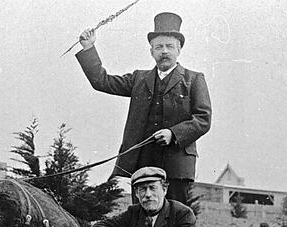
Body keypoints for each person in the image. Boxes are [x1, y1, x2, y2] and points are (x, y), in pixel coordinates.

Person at [76, 12, 212, 206]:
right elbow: (102, 81)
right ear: (151, 51)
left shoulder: (194, 79)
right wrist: (89, 48)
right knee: (141, 221)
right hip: (142, 165)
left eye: (169, 46)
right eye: (159, 47)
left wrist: (173, 134)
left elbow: (203, 118)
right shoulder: (139, 79)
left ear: (179, 49)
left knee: (175, 222)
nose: (164, 51)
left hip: (176, 168)